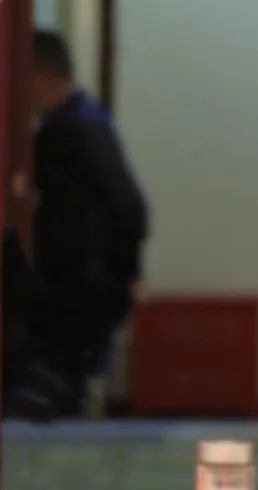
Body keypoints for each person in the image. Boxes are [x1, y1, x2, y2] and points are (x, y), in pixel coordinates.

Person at [22, 30, 148, 414]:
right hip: (84, 280)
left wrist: (125, 273)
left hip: (81, 283)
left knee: (59, 385)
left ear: (40, 78)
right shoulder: (80, 122)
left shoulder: (74, 130)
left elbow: (128, 206)